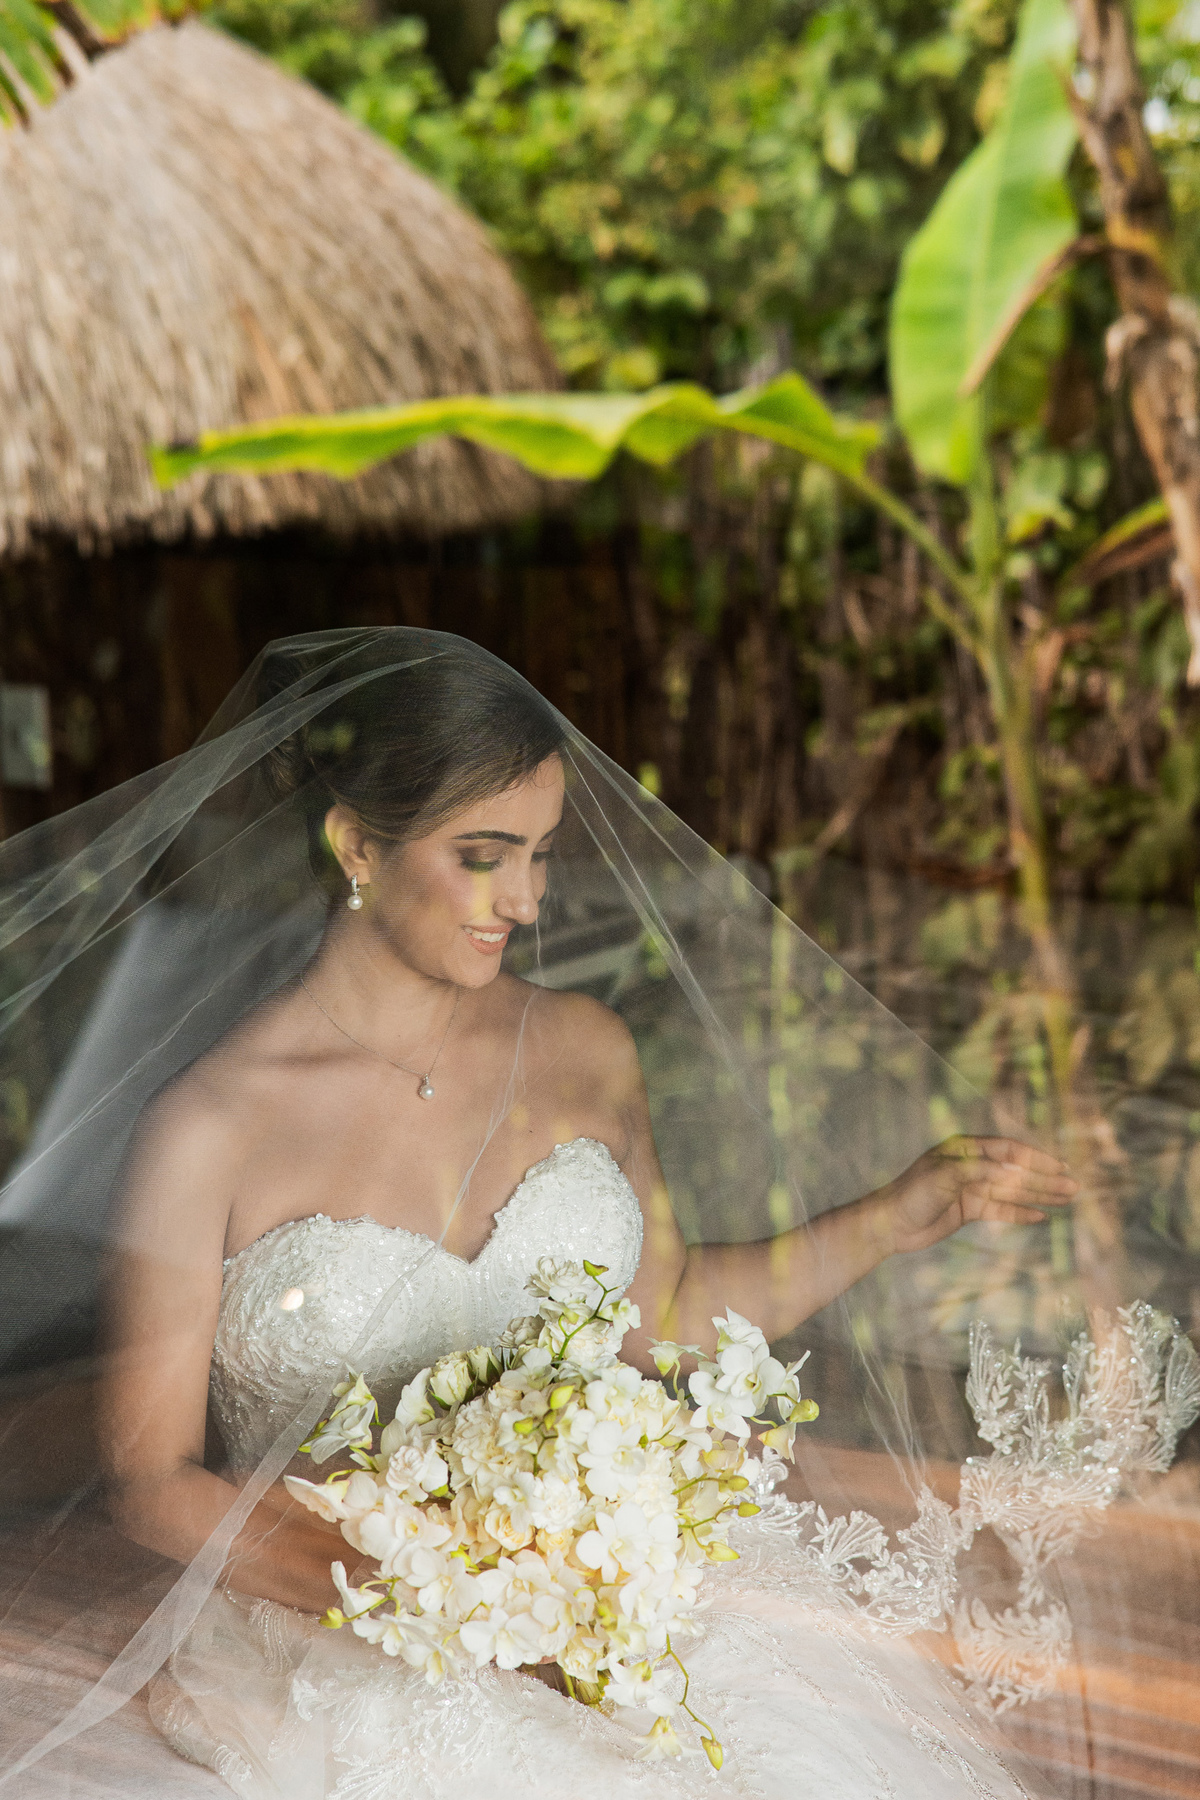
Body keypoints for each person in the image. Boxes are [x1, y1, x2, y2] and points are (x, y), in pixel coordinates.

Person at [0, 630, 1191, 1799]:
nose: (526, 898)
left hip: (629, 1609)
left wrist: (901, 1212)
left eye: (543, 852)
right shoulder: (210, 1125)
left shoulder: (585, 1050)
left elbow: (664, 1315)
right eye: (485, 855)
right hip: (331, 1636)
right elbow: (151, 1482)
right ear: (358, 843)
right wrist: (449, 1603)